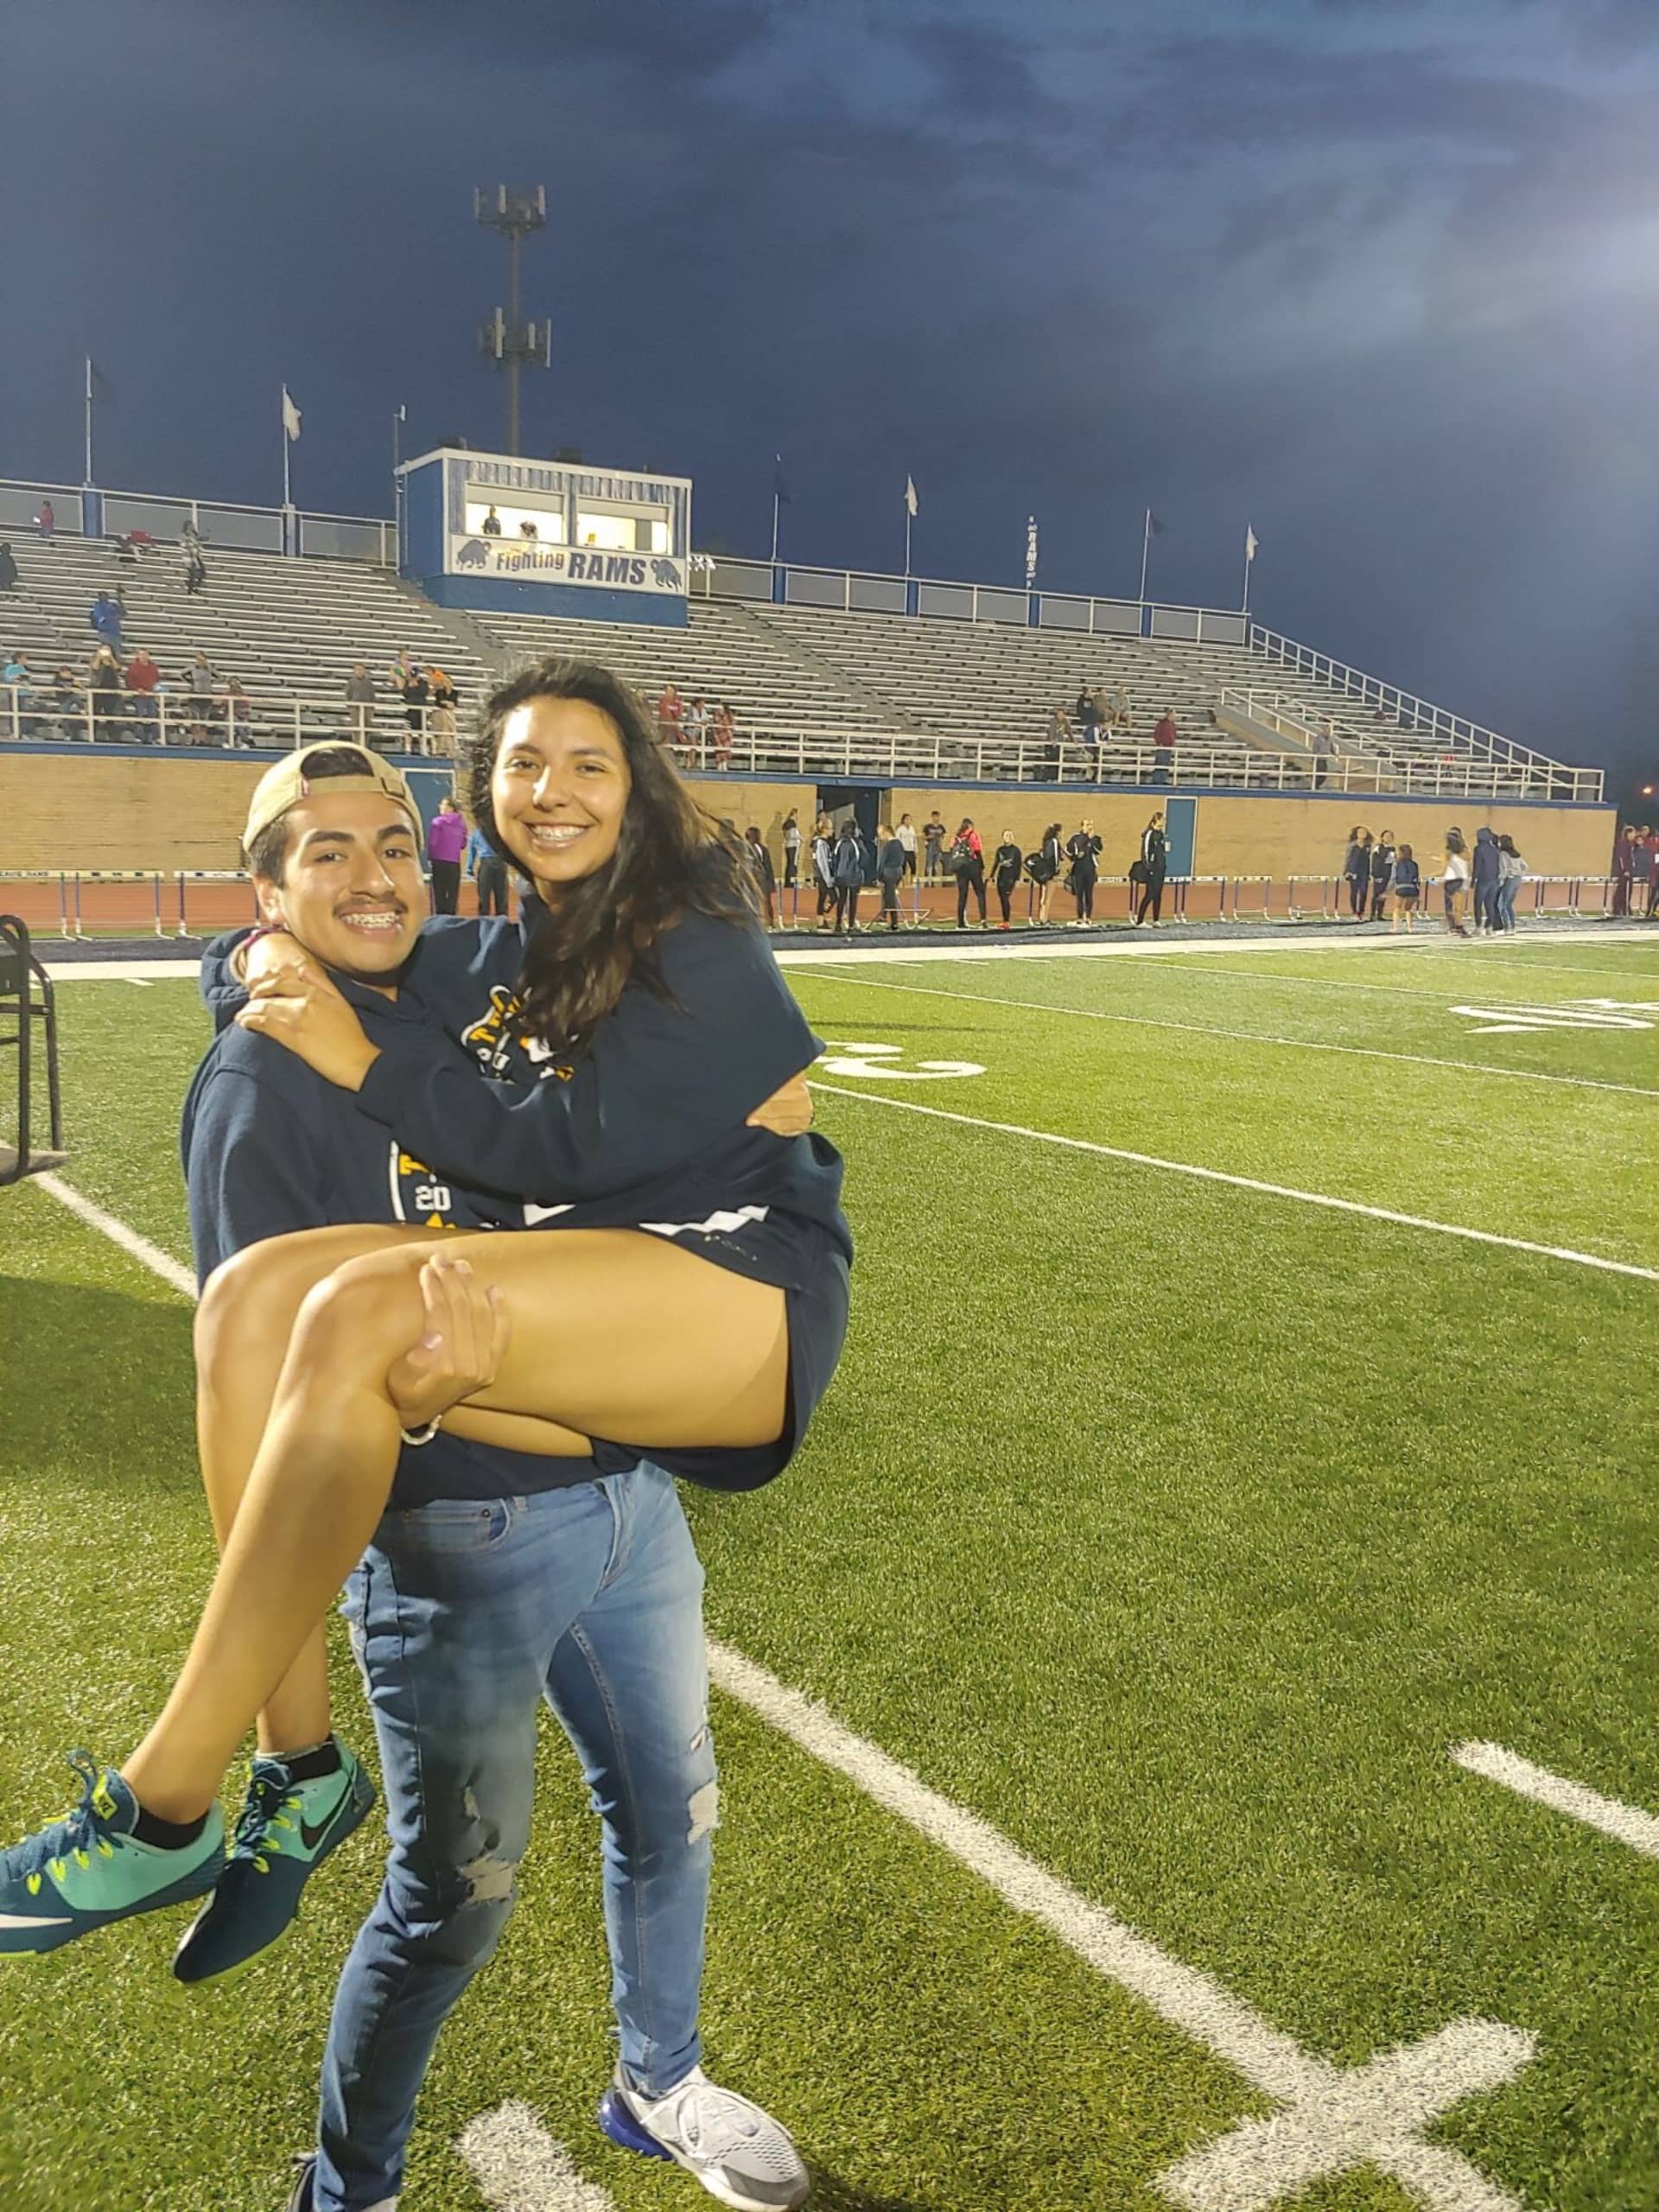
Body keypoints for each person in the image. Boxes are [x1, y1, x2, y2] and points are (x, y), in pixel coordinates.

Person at [0, 663, 849, 2019]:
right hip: (598, 1313)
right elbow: (306, 938)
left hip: (743, 1277)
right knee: (252, 1302)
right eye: (523, 766)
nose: (553, 790)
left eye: (587, 762)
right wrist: (253, 956)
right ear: (487, 804)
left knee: (350, 1310)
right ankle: (300, 1763)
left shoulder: (695, 915)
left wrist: (355, 1062)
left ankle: (164, 1802)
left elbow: (553, 1144)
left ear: (636, 780)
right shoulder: (505, 952)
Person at [167, 745, 816, 2209]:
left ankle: (658, 2080)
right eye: (321, 853)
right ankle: (352, 2188)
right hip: (453, 1547)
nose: (369, 875)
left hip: (626, 1506)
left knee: (675, 1813)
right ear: (265, 888)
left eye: (391, 842)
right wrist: (409, 1395)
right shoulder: (255, 1096)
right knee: (448, 1906)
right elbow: (263, 1392)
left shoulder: (464, 991)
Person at [426, 791, 467, 914]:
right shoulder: (461, 824)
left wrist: (430, 857)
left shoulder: (437, 822)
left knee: (439, 893)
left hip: (439, 860)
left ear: (450, 808)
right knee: (453, 894)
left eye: (443, 805)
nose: (440, 807)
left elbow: (433, 842)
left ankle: (439, 919)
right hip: (454, 862)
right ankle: (452, 918)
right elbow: (463, 844)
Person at [467, 817, 511, 918]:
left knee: (484, 896)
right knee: (501, 897)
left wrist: (470, 867)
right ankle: (502, 924)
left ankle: (484, 924)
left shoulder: (478, 832)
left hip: (486, 863)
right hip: (500, 862)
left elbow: (472, 851)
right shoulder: (501, 830)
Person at [950, 817, 987, 930]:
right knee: (980, 893)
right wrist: (982, 867)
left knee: (962, 895)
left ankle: (960, 922)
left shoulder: (955, 837)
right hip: (973, 865)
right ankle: (983, 920)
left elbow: (951, 851)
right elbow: (977, 850)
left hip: (960, 868)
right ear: (970, 826)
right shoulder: (973, 835)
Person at [830, 817, 864, 933]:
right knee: (853, 900)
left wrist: (835, 873)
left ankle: (838, 924)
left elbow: (834, 859)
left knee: (842, 898)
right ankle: (850, 926)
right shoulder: (857, 842)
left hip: (840, 875)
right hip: (853, 875)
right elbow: (864, 858)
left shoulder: (839, 842)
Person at [1134, 811, 1167, 925]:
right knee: (1150, 894)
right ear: (1153, 824)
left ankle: (1156, 919)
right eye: (1159, 825)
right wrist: (1149, 867)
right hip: (1152, 869)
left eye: (1162, 825)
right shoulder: (1149, 834)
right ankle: (1140, 920)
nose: (1160, 828)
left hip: (1161, 869)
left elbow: (1161, 851)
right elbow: (1145, 852)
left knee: (1158, 895)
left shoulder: (1161, 834)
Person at [1065, 820, 1102, 926]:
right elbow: (1067, 850)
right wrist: (1074, 857)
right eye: (1087, 825)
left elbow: (1098, 851)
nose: (1090, 827)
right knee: (1079, 895)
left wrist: (1092, 840)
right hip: (1078, 870)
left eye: (1091, 825)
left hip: (1090, 870)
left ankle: (1089, 918)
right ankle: (1080, 918)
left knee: (1089, 894)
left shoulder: (1095, 838)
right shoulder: (1076, 838)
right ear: (1082, 826)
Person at [874, 820, 906, 933]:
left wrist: (878, 877)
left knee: (890, 898)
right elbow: (903, 860)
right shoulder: (900, 844)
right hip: (898, 871)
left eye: (881, 833)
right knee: (888, 896)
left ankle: (894, 923)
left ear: (887, 832)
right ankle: (883, 916)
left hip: (889, 872)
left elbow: (882, 862)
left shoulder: (888, 845)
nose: (880, 836)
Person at [743, 823, 778, 927]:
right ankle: (752, 922)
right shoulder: (745, 848)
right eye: (756, 835)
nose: (758, 837)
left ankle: (770, 922)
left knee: (766, 902)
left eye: (758, 835)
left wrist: (771, 882)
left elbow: (768, 867)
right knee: (751, 902)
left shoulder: (763, 849)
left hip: (762, 880)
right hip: (751, 880)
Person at [1439, 828, 1471, 936]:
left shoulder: (1447, 852)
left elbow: (1444, 869)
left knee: (1450, 906)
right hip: (1462, 880)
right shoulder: (1466, 852)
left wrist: (1431, 875)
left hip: (1451, 880)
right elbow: (1467, 866)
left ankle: (1453, 927)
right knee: (1459, 907)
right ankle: (1459, 925)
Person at [1030, 822, 1063, 926]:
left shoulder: (1046, 841)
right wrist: (1056, 871)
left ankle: (1042, 917)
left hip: (1044, 872)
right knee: (1048, 898)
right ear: (1057, 832)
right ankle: (1045, 919)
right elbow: (1055, 858)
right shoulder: (1054, 841)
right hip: (1051, 873)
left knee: (1043, 897)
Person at [1471, 825, 1502, 934]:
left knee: (1478, 904)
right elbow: (1498, 866)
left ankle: (1479, 927)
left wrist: (1473, 880)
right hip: (1494, 879)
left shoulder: (1479, 849)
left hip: (1483, 879)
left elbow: (1477, 866)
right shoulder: (1495, 850)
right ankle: (1489, 927)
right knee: (1490, 904)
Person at [991, 830, 1022, 930]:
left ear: (1013, 837)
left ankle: (1007, 921)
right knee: (1002, 899)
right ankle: (1005, 920)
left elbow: (1018, 865)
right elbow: (996, 863)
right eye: (1006, 835)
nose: (1008, 837)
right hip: (1001, 877)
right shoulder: (1000, 850)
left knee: (1005, 898)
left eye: (1010, 835)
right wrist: (992, 876)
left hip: (1011, 877)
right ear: (1003, 837)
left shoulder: (1016, 850)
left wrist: (1017, 879)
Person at [1494, 835, 1525, 932]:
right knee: (1509, 904)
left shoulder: (1503, 854)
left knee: (1502, 904)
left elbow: (1503, 868)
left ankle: (1507, 927)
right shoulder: (1516, 854)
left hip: (1509, 879)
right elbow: (1525, 866)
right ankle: (1513, 926)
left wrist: (1501, 880)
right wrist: (1519, 874)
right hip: (1517, 879)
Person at [811, 811, 836, 929]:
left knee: (822, 897)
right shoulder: (821, 843)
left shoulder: (824, 843)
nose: (832, 831)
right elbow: (822, 862)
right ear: (825, 830)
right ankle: (821, 918)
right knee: (833, 897)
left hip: (822, 875)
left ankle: (821, 920)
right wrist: (828, 879)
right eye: (830, 828)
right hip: (822, 875)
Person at [1389, 843, 1421, 932]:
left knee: (1397, 908)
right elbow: (1417, 879)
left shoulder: (1396, 864)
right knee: (1408, 909)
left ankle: (1395, 928)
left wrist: (1388, 890)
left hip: (1401, 887)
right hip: (1412, 888)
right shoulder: (1414, 864)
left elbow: (1393, 878)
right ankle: (1410, 928)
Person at [427, 666, 458, 755]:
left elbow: (454, 703)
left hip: (449, 714)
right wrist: (447, 704)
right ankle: (440, 748)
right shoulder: (440, 692)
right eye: (446, 682)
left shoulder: (454, 692)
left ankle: (450, 749)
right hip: (440, 714)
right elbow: (440, 702)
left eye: (449, 682)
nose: (447, 683)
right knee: (441, 729)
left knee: (449, 729)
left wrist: (447, 703)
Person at [1341, 827, 1370, 921]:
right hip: (1353, 871)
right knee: (1354, 892)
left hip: (1364, 872)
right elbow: (1348, 858)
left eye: (1364, 832)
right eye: (1360, 832)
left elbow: (1369, 859)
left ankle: (1361, 912)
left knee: (1363, 892)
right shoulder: (1352, 845)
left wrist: (1370, 872)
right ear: (1356, 834)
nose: (1362, 834)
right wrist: (1346, 871)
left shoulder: (1368, 845)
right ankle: (1354, 912)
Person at [400, 664, 430, 752]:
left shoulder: (423, 684)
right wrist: (409, 686)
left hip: (421, 711)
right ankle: (408, 748)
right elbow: (404, 693)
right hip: (410, 710)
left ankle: (424, 749)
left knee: (422, 731)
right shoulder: (407, 683)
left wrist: (417, 686)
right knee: (408, 730)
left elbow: (425, 692)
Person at [344, 663, 376, 744]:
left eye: (361, 669)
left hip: (367, 708)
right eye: (357, 669)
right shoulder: (350, 682)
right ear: (354, 671)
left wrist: (372, 708)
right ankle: (356, 746)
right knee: (356, 728)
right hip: (355, 708)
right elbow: (348, 695)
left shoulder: (369, 683)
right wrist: (350, 706)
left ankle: (366, 745)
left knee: (367, 728)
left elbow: (372, 696)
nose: (359, 671)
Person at [1369, 828, 1395, 923]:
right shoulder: (1378, 848)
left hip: (1388, 875)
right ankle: (1372, 915)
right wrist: (1376, 875)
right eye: (1386, 836)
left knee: (1384, 895)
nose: (1388, 838)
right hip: (1379, 875)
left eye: (1390, 836)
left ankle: (1380, 914)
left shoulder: (1393, 849)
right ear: (1382, 838)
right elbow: (1375, 862)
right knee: (1376, 894)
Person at [1611, 824, 1637, 918]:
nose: (1634, 835)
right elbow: (1622, 858)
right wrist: (1625, 870)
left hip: (1629, 871)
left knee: (1627, 891)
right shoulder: (1623, 844)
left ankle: (1623, 909)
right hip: (1625, 872)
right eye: (1633, 833)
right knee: (1622, 891)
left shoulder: (1630, 845)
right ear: (1628, 833)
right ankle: (1619, 909)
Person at [90, 590, 124, 657]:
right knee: (106, 654)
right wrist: (114, 617)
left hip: (116, 632)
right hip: (105, 633)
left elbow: (123, 613)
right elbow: (101, 619)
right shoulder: (98, 607)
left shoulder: (112, 605)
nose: (105, 597)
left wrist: (119, 599)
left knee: (116, 654)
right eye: (102, 596)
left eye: (106, 595)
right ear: (99, 597)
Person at [655, 683, 683, 757]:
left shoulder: (678, 701)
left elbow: (680, 712)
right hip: (664, 722)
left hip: (673, 723)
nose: (669, 691)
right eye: (668, 690)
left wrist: (672, 715)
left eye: (671, 690)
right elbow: (662, 710)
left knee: (671, 733)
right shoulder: (663, 700)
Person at [1152, 708, 1178, 785]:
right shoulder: (1162, 723)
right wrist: (1159, 743)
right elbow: (1156, 734)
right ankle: (1157, 781)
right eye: (1173, 714)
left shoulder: (1173, 725)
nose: (1174, 716)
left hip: (1169, 747)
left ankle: (1162, 780)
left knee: (1166, 764)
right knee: (1160, 764)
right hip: (1162, 747)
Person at [683, 696, 709, 769]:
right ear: (697, 704)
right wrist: (700, 722)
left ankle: (689, 762)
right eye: (702, 703)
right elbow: (690, 719)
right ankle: (693, 763)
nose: (703, 705)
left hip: (697, 730)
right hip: (690, 730)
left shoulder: (703, 711)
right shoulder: (691, 710)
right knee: (694, 745)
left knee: (694, 746)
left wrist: (702, 723)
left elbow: (706, 719)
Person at [923, 811, 947, 885]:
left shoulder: (941, 827)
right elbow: (923, 837)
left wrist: (942, 844)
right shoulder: (928, 827)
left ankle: (934, 881)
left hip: (938, 847)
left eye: (938, 816)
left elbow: (943, 837)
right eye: (935, 816)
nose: (936, 818)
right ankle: (929, 881)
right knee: (929, 863)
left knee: (936, 864)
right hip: (930, 846)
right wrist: (929, 837)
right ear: (932, 817)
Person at [711, 701, 736, 772]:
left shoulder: (729, 716)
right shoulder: (716, 716)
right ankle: (719, 768)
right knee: (719, 752)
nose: (719, 710)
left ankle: (724, 768)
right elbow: (718, 723)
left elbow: (733, 723)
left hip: (727, 735)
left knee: (726, 752)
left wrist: (726, 724)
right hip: (718, 736)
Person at [781, 809, 802, 891]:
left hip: (788, 845)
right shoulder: (792, 823)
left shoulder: (786, 823)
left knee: (789, 864)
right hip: (793, 845)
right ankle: (792, 883)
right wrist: (800, 838)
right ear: (795, 814)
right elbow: (793, 834)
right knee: (793, 864)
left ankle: (788, 882)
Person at [894, 811, 917, 883]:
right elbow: (897, 840)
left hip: (911, 850)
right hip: (903, 850)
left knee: (913, 867)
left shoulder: (912, 829)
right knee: (903, 867)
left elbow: (914, 840)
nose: (908, 821)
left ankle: (911, 882)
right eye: (907, 819)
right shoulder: (900, 829)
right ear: (903, 820)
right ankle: (903, 883)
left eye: (910, 819)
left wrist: (915, 850)